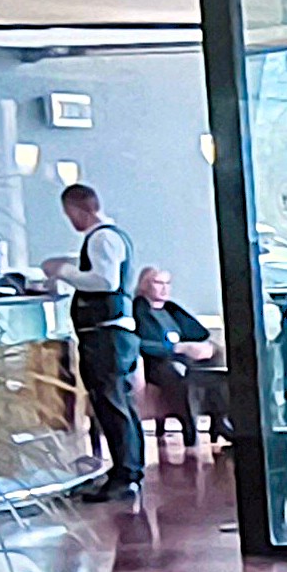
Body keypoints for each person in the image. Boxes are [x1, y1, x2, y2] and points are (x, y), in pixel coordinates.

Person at [52, 184, 141, 500]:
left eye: (70, 214)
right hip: (115, 335)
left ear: (79, 209)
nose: (71, 221)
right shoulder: (113, 237)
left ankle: (125, 476)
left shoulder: (102, 238)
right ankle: (127, 471)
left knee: (112, 405)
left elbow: (105, 281)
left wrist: (63, 271)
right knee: (119, 404)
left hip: (106, 335)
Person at [130, 270, 233, 452]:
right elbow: (139, 344)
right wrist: (176, 348)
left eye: (167, 283)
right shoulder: (138, 311)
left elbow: (198, 333)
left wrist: (205, 348)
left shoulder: (171, 309)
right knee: (182, 377)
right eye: (158, 283)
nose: (164, 288)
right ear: (144, 286)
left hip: (184, 360)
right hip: (156, 363)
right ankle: (189, 429)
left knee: (217, 361)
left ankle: (220, 421)